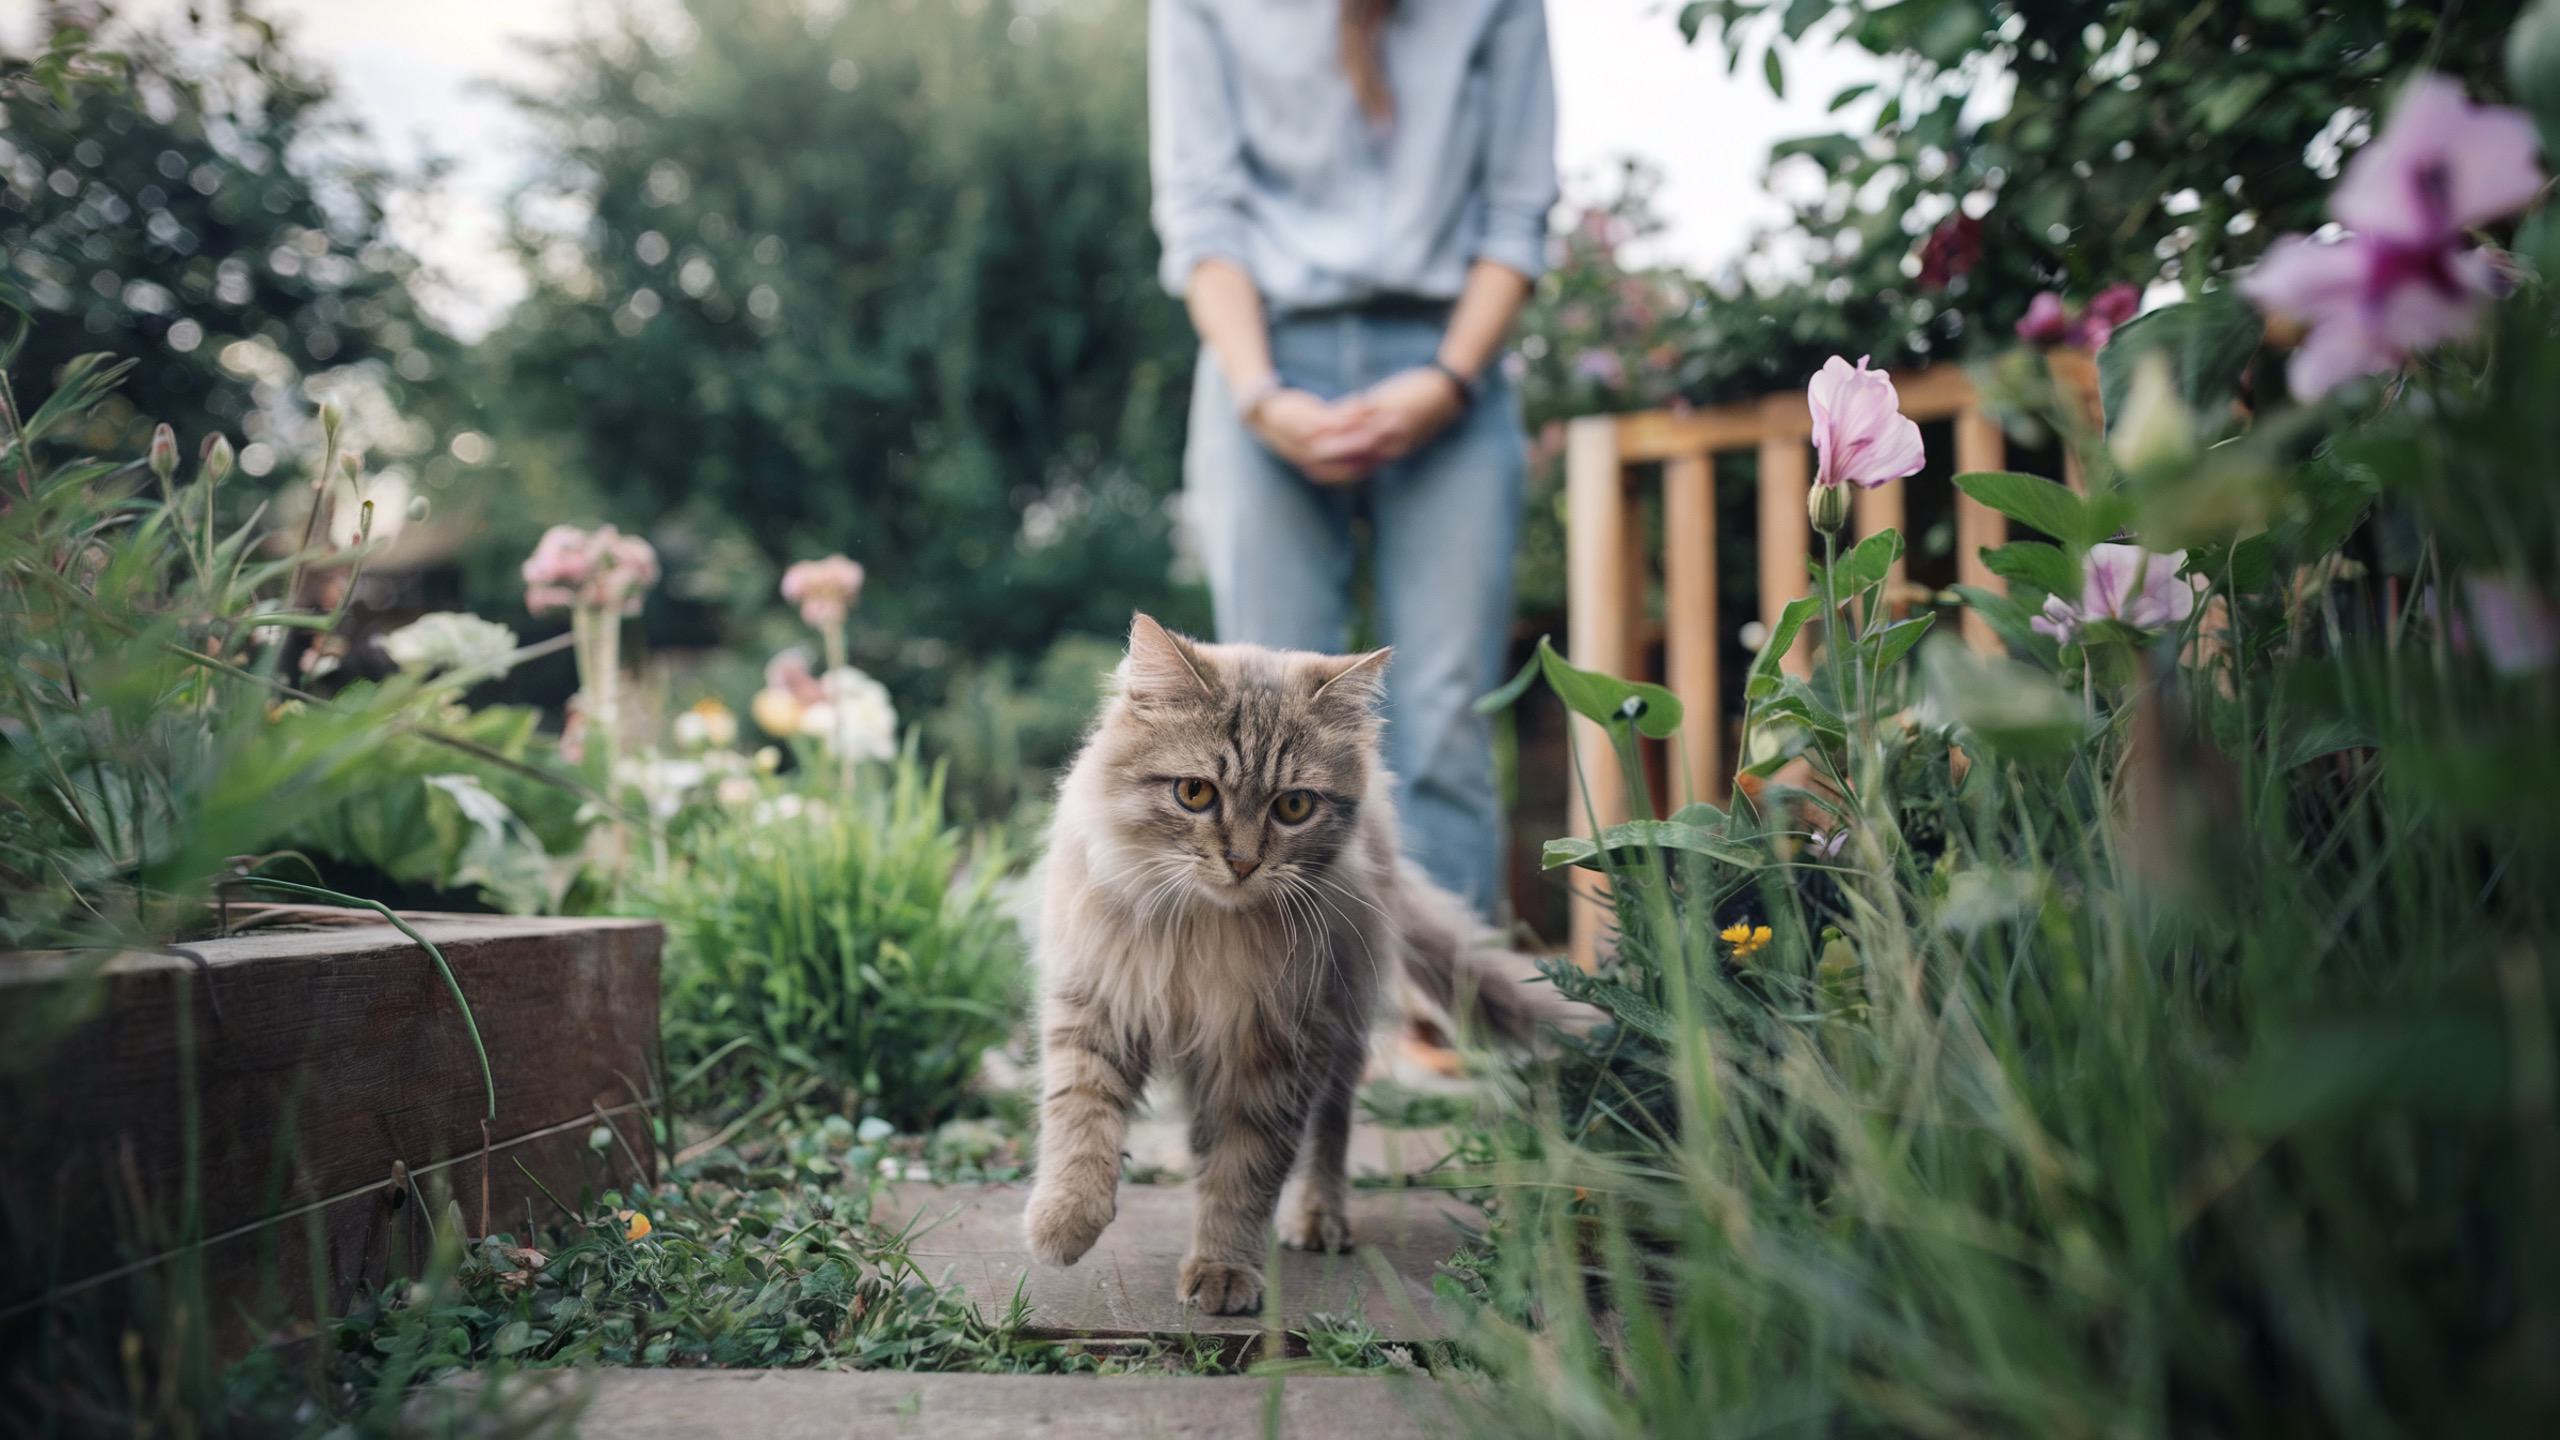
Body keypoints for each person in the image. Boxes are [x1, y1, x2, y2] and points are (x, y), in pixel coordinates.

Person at [1150, 0, 1556, 916]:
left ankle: (1444, 1012)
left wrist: (1449, 379)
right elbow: (1200, 209)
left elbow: (1517, 214)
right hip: (1264, 350)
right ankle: (1290, 1014)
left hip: (1452, 355)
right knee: (1256, 720)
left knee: (1447, 706)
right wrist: (1258, 394)